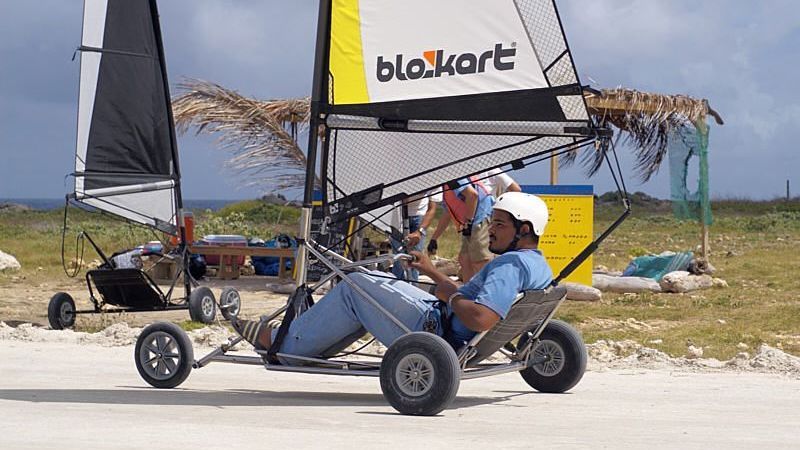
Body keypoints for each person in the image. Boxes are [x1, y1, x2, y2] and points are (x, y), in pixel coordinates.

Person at [231, 192, 553, 360]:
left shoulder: (508, 265)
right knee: (369, 279)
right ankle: (303, 342)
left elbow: (481, 317)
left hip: (436, 331)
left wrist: (451, 296)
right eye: (492, 222)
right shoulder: (537, 265)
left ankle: (283, 344)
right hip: (444, 320)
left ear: (524, 229)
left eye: (499, 224)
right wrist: (430, 271)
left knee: (356, 284)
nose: (491, 230)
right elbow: (474, 300)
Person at [427, 177, 495, 282]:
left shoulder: (453, 178)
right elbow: (447, 214)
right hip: (471, 222)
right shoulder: (446, 186)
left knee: (481, 260)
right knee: (464, 259)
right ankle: (468, 291)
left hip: (480, 218)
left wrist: (468, 221)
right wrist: (434, 239)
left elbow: (472, 195)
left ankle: (488, 290)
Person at [389, 191, 440, 282]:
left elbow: (432, 208)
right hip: (398, 214)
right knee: (399, 260)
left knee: (415, 260)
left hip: (419, 216)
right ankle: (396, 289)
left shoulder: (436, 180)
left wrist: (419, 232)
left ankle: (412, 290)